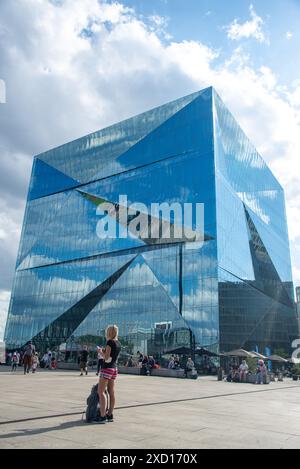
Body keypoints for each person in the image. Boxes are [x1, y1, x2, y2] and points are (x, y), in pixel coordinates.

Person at [96, 325, 121, 424]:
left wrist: (100, 352)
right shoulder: (118, 343)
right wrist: (105, 351)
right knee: (111, 392)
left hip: (107, 368)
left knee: (101, 392)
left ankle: (102, 416)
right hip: (114, 368)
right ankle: (110, 414)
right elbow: (112, 356)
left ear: (109, 332)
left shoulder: (110, 342)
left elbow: (106, 358)